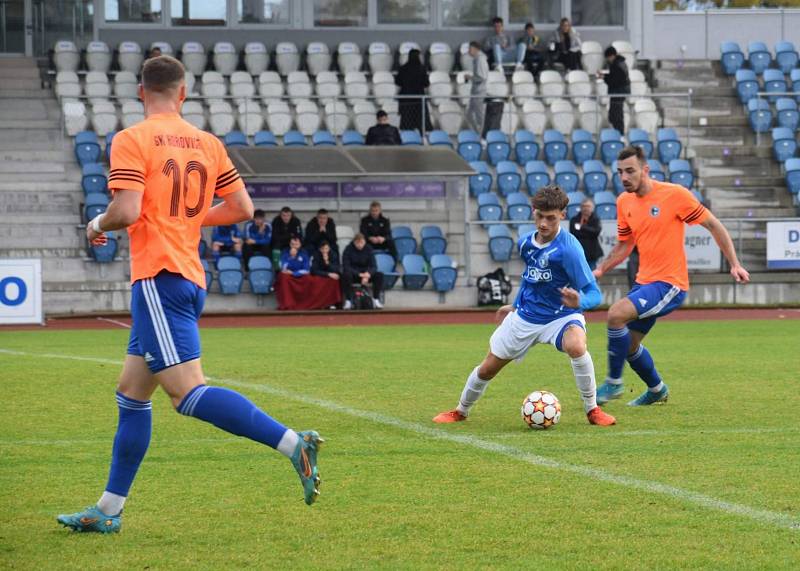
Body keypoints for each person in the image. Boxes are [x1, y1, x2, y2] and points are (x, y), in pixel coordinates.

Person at [58, 55, 323, 534]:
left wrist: (95, 224)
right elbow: (243, 208)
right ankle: (108, 511)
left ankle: (292, 443)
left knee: (186, 394)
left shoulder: (132, 138)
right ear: (184, 93)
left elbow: (125, 210)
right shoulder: (207, 143)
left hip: (159, 277)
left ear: (142, 92)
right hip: (187, 276)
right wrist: (186, 218)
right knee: (131, 394)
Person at [432, 185, 615, 427]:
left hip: (561, 316)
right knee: (487, 368)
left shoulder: (570, 249)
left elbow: (595, 293)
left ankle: (592, 409)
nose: (543, 223)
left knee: (577, 345)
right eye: (540, 216)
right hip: (527, 316)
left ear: (562, 214)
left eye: (551, 218)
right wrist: (515, 305)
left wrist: (580, 301)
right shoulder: (525, 243)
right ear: (533, 212)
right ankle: (461, 410)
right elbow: (531, 277)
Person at [594, 146, 750, 406]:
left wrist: (734, 263)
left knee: (615, 314)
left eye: (630, 171)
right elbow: (625, 244)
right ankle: (657, 390)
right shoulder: (624, 201)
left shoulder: (674, 195)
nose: (624, 177)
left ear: (646, 170)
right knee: (629, 346)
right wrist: (600, 269)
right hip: (645, 282)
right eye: (620, 172)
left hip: (670, 283)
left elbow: (713, 224)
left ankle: (613, 383)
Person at [341, 233, 384, 310]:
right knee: (345, 275)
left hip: (366, 274)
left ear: (364, 242)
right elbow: (346, 266)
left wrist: (368, 274)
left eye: (362, 242)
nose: (360, 245)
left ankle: (376, 299)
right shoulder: (348, 249)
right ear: (354, 242)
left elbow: (374, 266)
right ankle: (348, 301)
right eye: (358, 243)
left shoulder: (369, 249)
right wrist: (359, 274)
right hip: (353, 274)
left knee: (379, 275)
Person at [395, 48, 432, 133]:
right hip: (419, 98)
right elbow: (426, 83)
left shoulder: (403, 68)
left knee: (407, 119)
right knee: (420, 118)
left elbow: (398, 82)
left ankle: (408, 137)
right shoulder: (421, 69)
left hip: (406, 98)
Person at [601, 46, 630, 134]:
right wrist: (606, 76)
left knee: (616, 115)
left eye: (608, 57)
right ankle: (617, 133)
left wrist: (604, 77)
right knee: (614, 115)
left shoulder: (616, 65)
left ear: (612, 56)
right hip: (618, 92)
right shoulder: (620, 63)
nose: (608, 59)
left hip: (618, 92)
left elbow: (615, 81)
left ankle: (620, 134)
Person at [569, 198, 603, 270]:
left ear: (592, 208)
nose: (586, 208)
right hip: (578, 251)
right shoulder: (574, 219)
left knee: (591, 274)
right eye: (584, 206)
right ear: (580, 208)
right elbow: (574, 233)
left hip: (592, 252)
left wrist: (582, 227)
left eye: (588, 206)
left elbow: (596, 232)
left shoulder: (596, 219)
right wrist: (589, 232)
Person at [465, 41, 489, 134]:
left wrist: (470, 77)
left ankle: (483, 135)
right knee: (469, 114)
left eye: (470, 49)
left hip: (479, 92)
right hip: (475, 92)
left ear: (475, 49)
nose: (468, 51)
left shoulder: (480, 59)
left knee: (479, 116)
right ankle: (477, 133)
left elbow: (482, 77)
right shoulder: (477, 59)